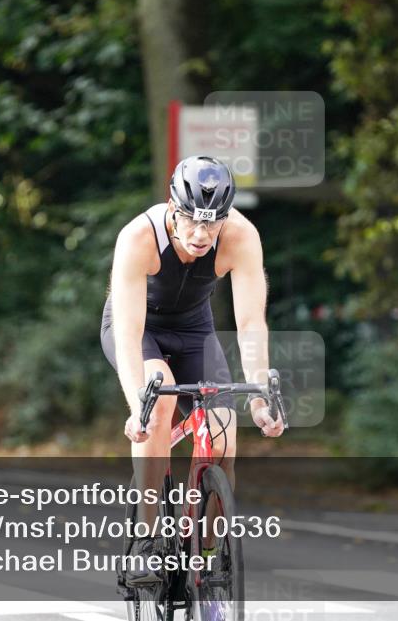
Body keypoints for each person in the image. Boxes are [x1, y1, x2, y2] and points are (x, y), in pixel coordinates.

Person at [100, 155, 284, 584]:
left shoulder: (241, 236)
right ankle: (147, 541)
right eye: (191, 220)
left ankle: (208, 554)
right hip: (139, 328)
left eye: (213, 223)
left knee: (223, 434)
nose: (202, 235)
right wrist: (138, 409)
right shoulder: (138, 238)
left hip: (194, 330)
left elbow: (251, 323)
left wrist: (259, 397)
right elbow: (128, 333)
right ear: (172, 207)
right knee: (158, 402)